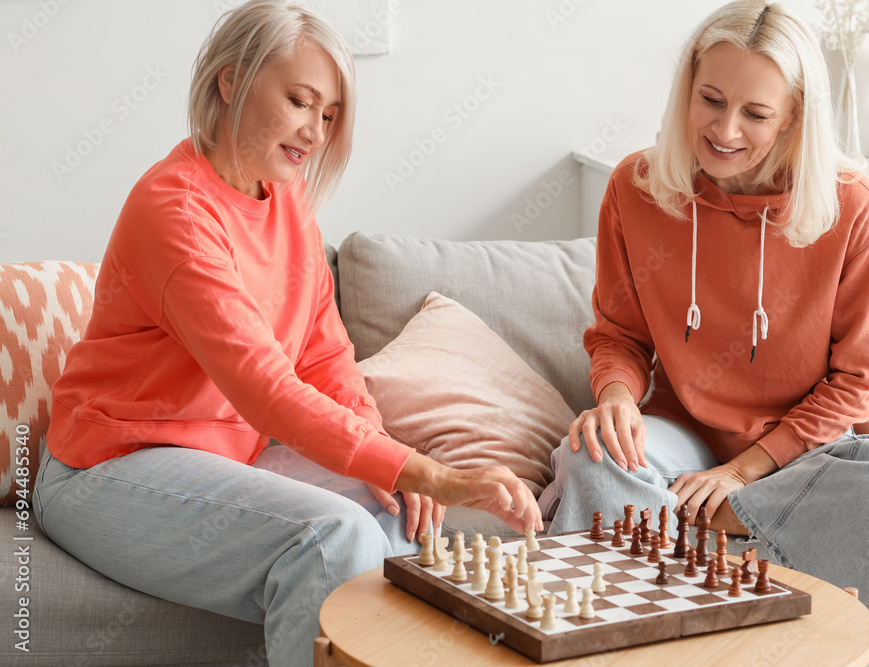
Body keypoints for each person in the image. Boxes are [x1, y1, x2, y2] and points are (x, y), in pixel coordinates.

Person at [31, 2, 541, 665]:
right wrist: (429, 470)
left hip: (219, 458)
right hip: (102, 470)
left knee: (393, 510)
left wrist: (392, 460)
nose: (315, 130)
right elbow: (265, 388)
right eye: (300, 101)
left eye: (329, 115)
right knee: (332, 535)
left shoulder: (287, 200)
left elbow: (323, 352)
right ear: (231, 79)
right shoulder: (175, 210)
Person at [537, 0, 869, 611]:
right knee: (584, 455)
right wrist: (616, 397)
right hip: (684, 438)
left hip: (802, 449)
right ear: (687, 90)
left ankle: (697, 529)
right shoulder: (636, 188)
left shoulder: (848, 206)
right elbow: (619, 335)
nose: (724, 132)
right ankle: (653, 610)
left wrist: (744, 474)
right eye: (712, 100)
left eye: (755, 113)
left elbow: (859, 378)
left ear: (793, 116)